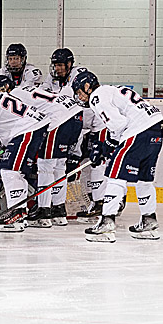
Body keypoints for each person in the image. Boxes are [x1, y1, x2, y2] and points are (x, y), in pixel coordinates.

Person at [73, 72, 163, 243]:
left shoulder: (96, 97)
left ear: (87, 86)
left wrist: (107, 145)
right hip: (156, 128)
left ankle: (107, 222)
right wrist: (107, 145)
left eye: (79, 92)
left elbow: (118, 124)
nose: (79, 97)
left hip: (138, 130)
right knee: (144, 179)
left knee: (115, 176)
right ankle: (149, 220)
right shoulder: (111, 90)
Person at [0, 75, 50, 232]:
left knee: (10, 170)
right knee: (13, 171)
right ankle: (20, 212)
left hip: (27, 129)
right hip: (33, 127)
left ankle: (17, 214)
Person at [11, 81, 85, 227]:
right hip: (76, 115)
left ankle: (44, 210)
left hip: (58, 119)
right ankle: (59, 210)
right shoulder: (26, 90)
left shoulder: (12, 96)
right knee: (59, 166)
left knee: (45, 165)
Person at [45, 47, 106, 222]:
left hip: (96, 126)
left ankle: (101, 203)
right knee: (84, 165)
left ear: (70, 64)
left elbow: (77, 121)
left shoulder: (80, 77)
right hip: (78, 125)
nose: (57, 69)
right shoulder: (56, 81)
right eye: (55, 65)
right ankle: (92, 201)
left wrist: (74, 154)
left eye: (61, 65)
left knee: (97, 163)